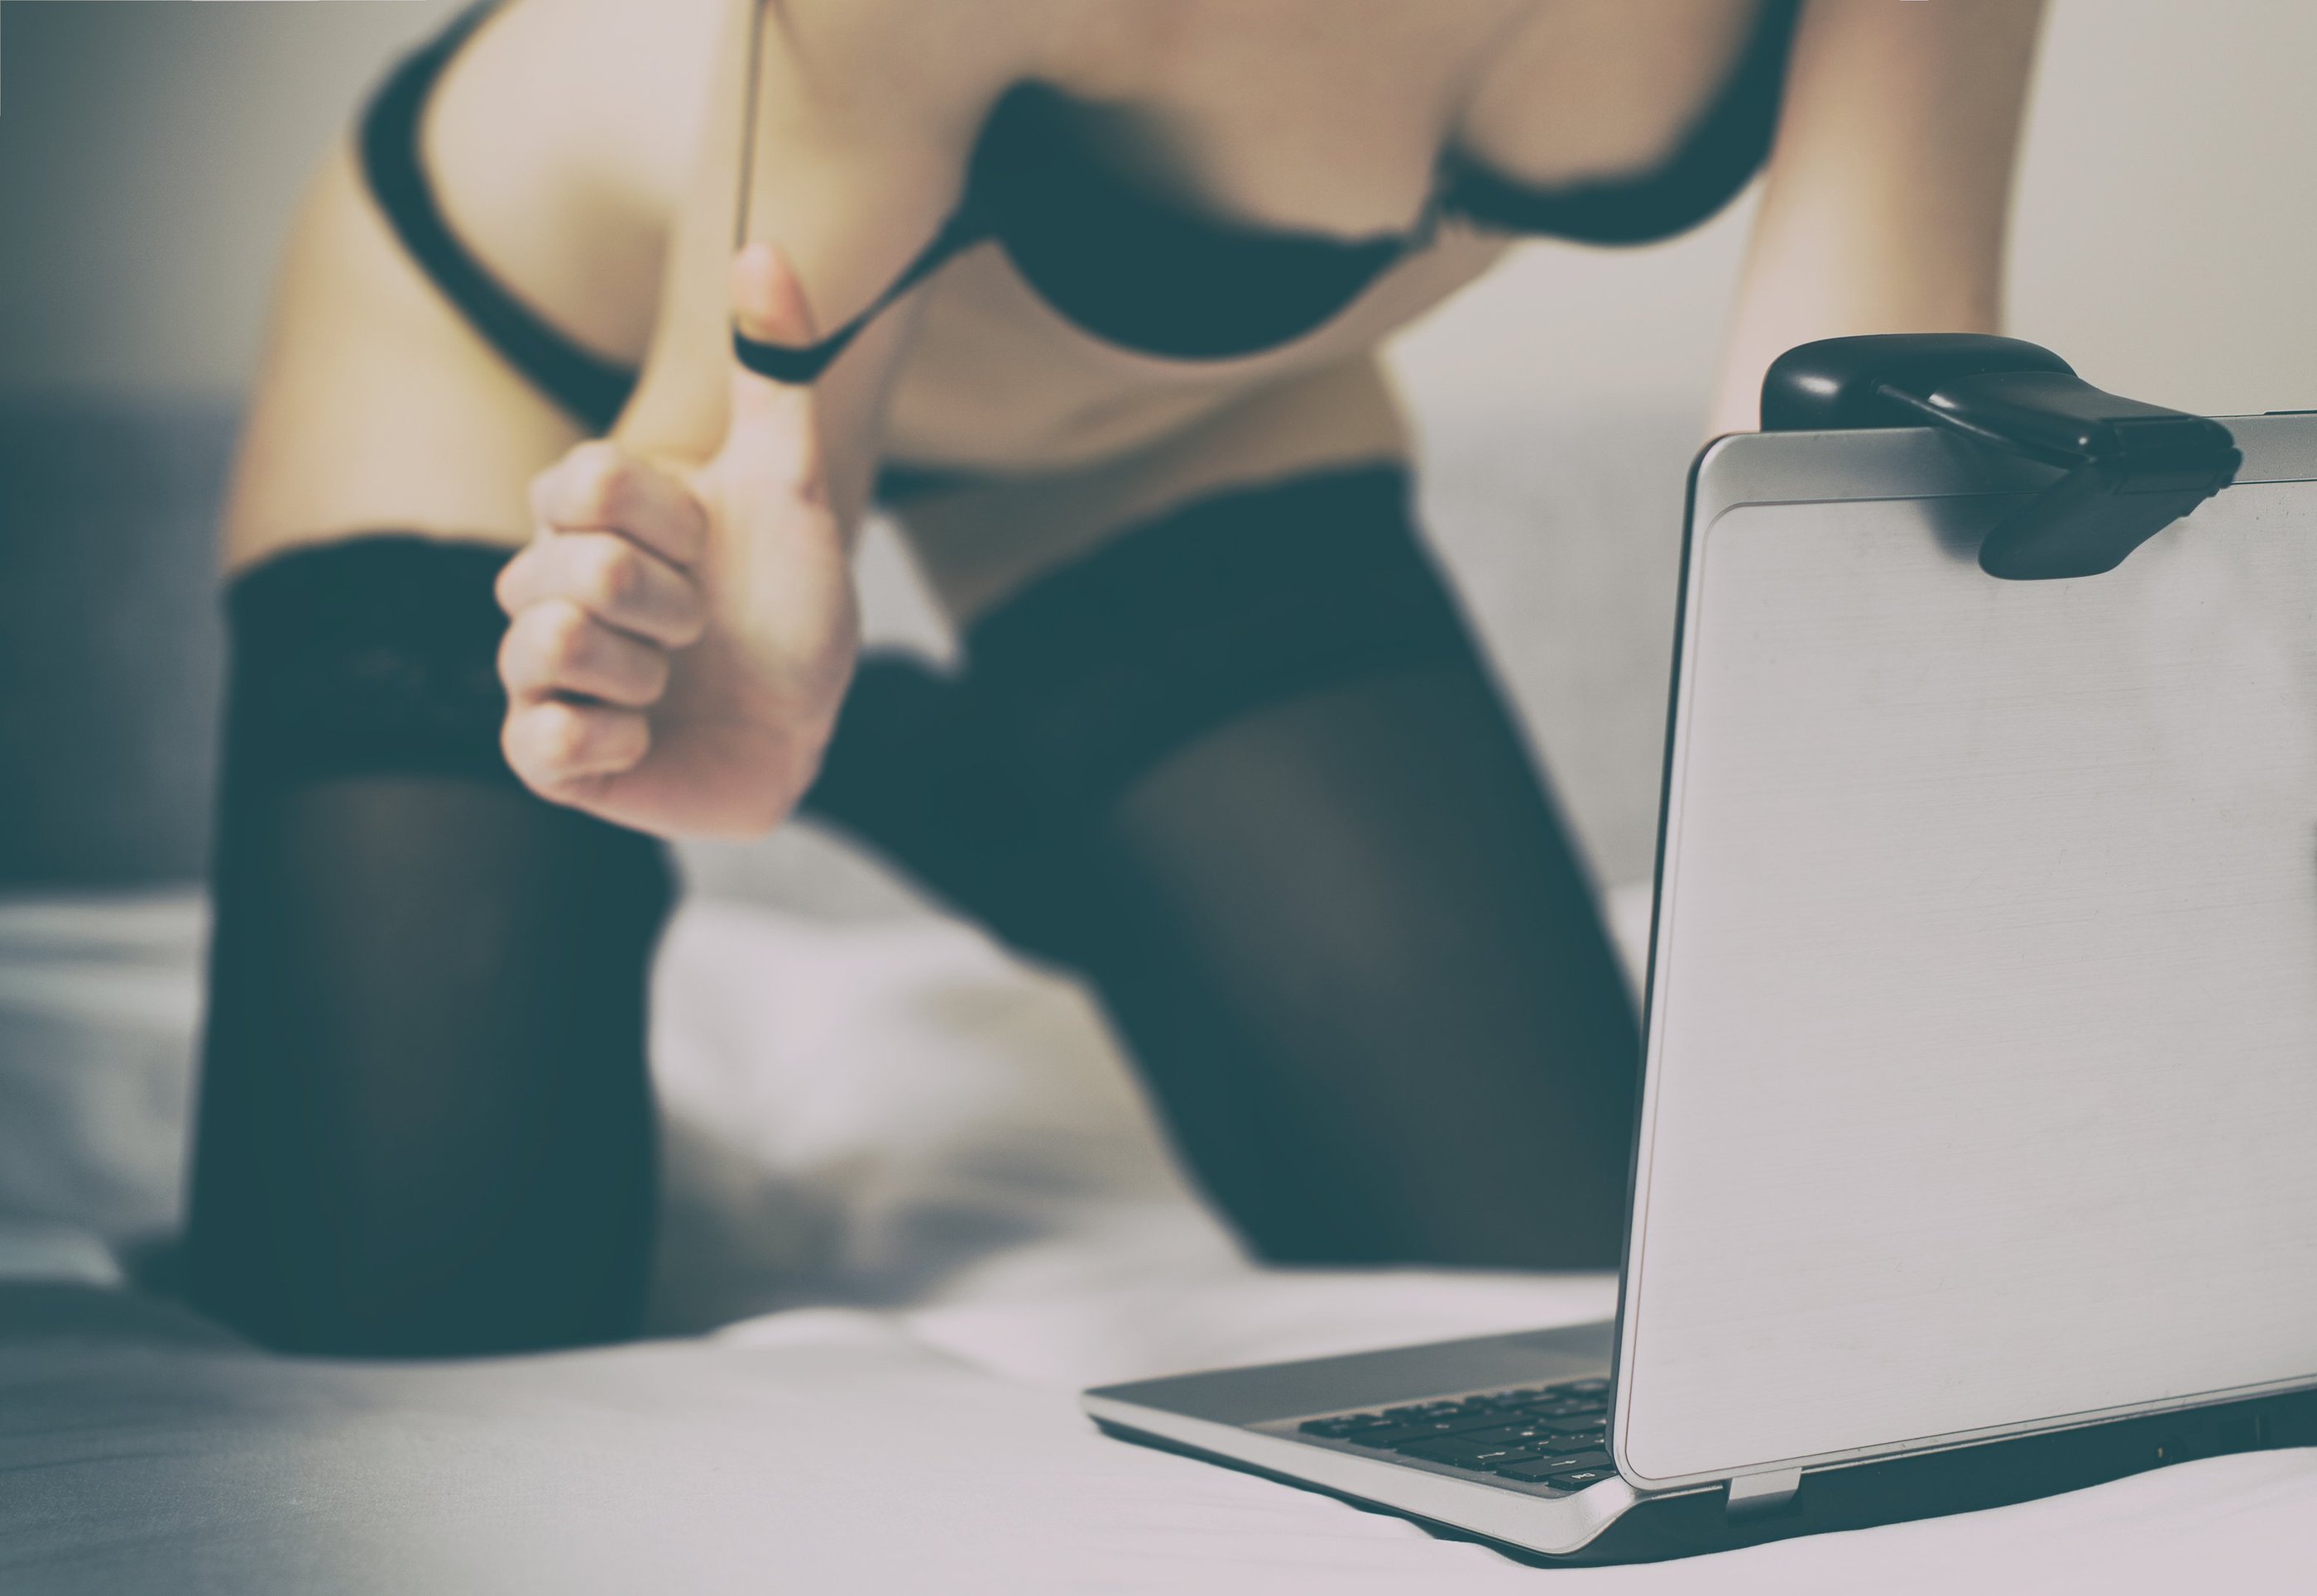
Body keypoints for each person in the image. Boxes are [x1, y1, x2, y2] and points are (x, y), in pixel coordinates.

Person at [183, 0, 2045, 1354]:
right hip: (543, 341)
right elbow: (737, 447)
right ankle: (977, 776)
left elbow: (1846, 467)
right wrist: (685, 631)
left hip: (1166, 412)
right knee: (418, 1312)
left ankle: (1009, 797)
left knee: (1573, 1270)